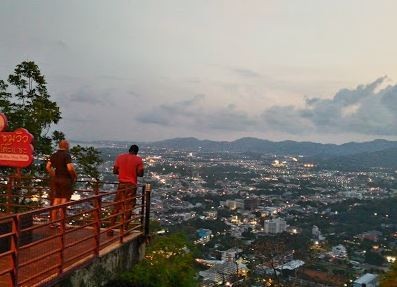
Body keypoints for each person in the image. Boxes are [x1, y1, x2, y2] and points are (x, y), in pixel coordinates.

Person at [108, 144, 144, 235]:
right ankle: (123, 229)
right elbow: (140, 173)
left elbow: (115, 171)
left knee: (116, 206)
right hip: (131, 186)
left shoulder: (120, 157)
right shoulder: (138, 159)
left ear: (129, 150)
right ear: (136, 152)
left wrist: (123, 171)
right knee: (128, 207)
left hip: (121, 185)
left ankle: (110, 228)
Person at [46, 140, 77, 227]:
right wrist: (74, 176)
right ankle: (61, 223)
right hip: (65, 179)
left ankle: (52, 222)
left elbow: (48, 167)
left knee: (56, 200)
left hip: (56, 179)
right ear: (66, 146)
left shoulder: (54, 155)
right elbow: (70, 168)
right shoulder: (66, 155)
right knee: (64, 201)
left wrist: (53, 174)